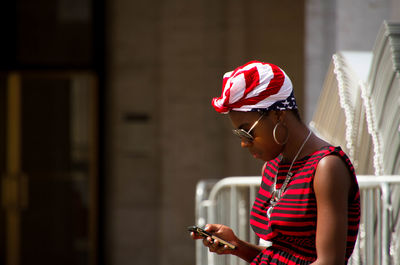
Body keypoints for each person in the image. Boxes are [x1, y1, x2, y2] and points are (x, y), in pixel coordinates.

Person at [190, 61, 360, 265]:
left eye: (247, 132)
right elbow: (283, 255)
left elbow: (329, 261)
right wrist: (237, 245)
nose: (244, 143)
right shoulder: (272, 169)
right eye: (239, 135)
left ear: (278, 114)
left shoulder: (326, 167)